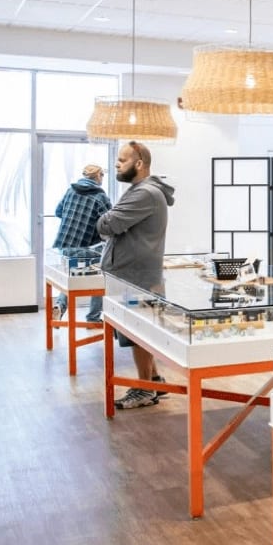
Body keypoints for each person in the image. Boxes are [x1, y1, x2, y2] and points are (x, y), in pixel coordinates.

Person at [99, 141, 175, 410]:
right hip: (134, 275)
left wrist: (106, 218)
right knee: (139, 333)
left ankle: (145, 388)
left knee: (139, 334)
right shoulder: (140, 191)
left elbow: (108, 224)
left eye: (123, 160)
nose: (117, 164)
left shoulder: (144, 193)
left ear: (139, 163)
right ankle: (153, 380)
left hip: (136, 277)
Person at [52, 163, 112, 322]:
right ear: (98, 176)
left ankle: (60, 305)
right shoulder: (100, 197)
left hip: (64, 245)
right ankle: (93, 317)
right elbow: (111, 222)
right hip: (87, 247)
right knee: (101, 277)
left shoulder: (70, 191)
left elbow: (58, 212)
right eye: (102, 176)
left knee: (72, 276)